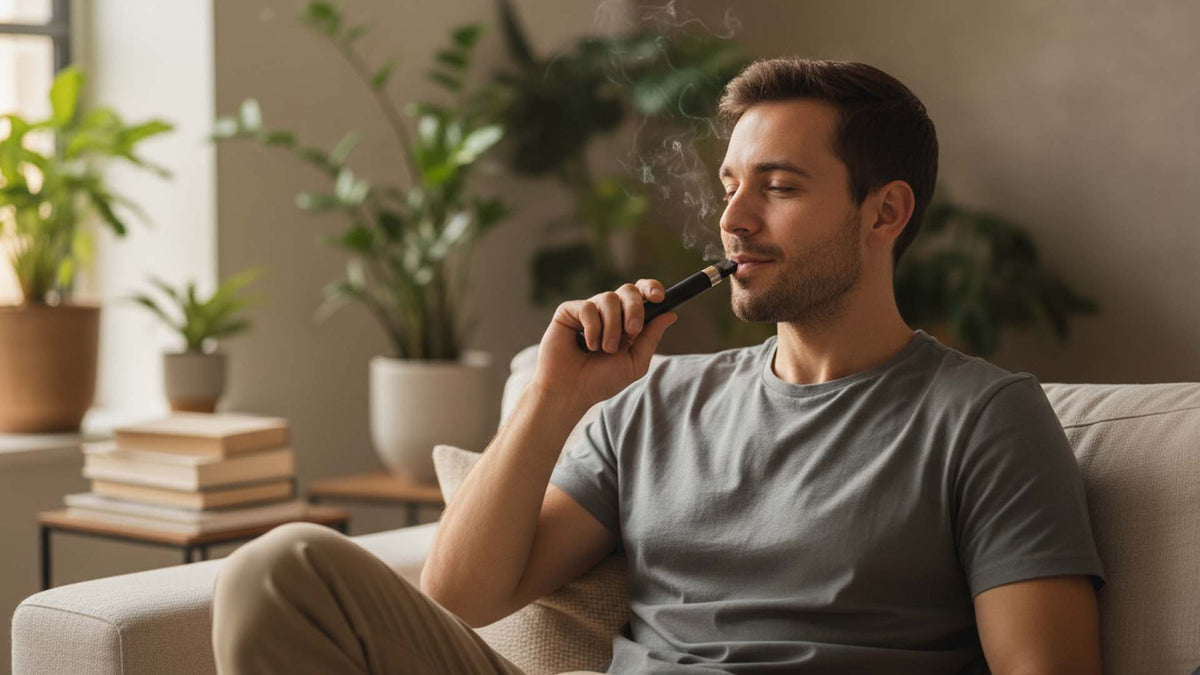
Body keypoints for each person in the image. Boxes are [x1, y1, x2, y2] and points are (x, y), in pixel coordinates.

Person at [212, 59, 1105, 674]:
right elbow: (465, 594)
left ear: (885, 213)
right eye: (731, 187)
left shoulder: (983, 417)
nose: (735, 220)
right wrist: (553, 398)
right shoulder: (654, 399)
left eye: (779, 187)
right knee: (280, 568)